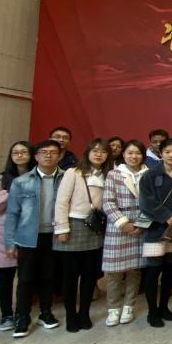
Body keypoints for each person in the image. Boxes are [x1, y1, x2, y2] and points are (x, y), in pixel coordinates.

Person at [6, 140, 65, 338]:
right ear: (36, 156)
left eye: (53, 152)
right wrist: (10, 242)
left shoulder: (66, 178)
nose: (48, 155)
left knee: (49, 277)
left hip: (54, 236)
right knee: (25, 279)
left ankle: (45, 313)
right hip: (27, 237)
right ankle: (22, 317)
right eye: (44, 152)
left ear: (60, 156)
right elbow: (12, 213)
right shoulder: (21, 181)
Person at [54, 138, 110, 332]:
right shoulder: (74, 172)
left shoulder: (107, 175)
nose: (99, 154)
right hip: (74, 224)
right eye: (95, 150)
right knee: (70, 275)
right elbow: (62, 201)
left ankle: (84, 313)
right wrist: (62, 228)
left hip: (95, 227)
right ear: (87, 152)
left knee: (89, 274)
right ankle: (71, 315)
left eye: (103, 151)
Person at [138, 138, 172, 327]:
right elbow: (146, 202)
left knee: (170, 270)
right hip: (155, 230)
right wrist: (165, 216)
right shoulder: (149, 175)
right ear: (161, 153)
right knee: (153, 271)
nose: (171, 155)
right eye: (167, 152)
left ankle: (164, 307)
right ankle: (152, 311)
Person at [0, 141, 35, 331]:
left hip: (31, 231)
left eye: (24, 152)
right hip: (6, 231)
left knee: (27, 276)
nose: (20, 155)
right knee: (5, 275)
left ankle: (23, 312)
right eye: (16, 152)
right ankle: (6, 314)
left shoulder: (37, 176)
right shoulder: (2, 179)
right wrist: (13, 190)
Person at [102, 139, 148, 326]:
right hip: (118, 227)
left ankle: (129, 306)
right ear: (123, 155)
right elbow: (108, 202)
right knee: (114, 271)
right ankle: (113, 309)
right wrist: (123, 223)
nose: (133, 156)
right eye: (130, 153)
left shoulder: (148, 174)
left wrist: (142, 224)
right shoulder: (114, 174)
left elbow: (153, 202)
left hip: (140, 226)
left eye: (137, 153)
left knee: (134, 270)